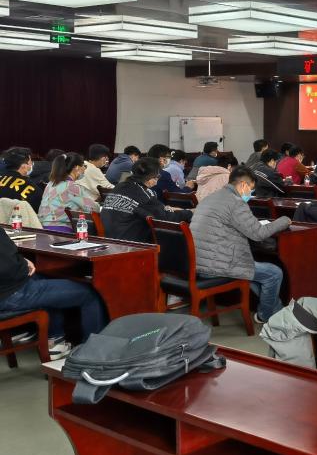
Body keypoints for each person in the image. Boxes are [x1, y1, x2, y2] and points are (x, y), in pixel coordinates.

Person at [191, 166, 292, 324]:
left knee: (256, 274)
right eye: (251, 189)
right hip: (218, 265)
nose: (251, 194)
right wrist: (284, 220)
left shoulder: (211, 198)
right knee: (274, 273)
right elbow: (258, 234)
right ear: (243, 185)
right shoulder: (235, 202)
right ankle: (265, 315)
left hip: (198, 263)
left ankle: (276, 310)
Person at [0, 229, 106, 359]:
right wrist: (21, 263)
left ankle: (55, 341)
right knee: (89, 294)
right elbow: (6, 268)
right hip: (12, 292)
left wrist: (22, 260)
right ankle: (94, 353)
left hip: (10, 288)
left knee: (48, 279)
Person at [101, 157, 192, 243]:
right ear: (150, 177)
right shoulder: (142, 193)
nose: (157, 180)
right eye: (157, 176)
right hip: (129, 245)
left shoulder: (119, 186)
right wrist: (190, 213)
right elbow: (165, 217)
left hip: (108, 240)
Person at [38, 153, 99, 231]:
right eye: (84, 166)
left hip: (42, 227)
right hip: (61, 229)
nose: (84, 169)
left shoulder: (51, 183)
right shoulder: (72, 186)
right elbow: (94, 208)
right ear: (76, 167)